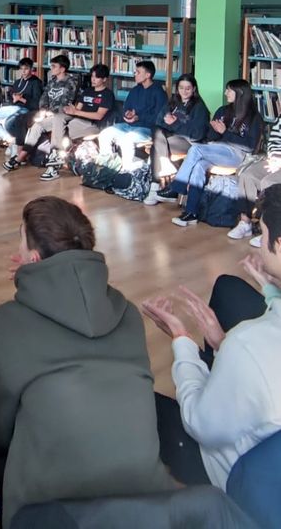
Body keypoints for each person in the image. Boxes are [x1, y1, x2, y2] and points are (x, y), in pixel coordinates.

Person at [0, 196, 171, 528]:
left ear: (33, 257)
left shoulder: (0, 325)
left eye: (21, 239)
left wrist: (32, 281)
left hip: (49, 513)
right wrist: (39, 279)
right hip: (144, 502)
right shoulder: (127, 314)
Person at [142, 184, 281, 491]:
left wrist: (182, 340)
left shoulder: (249, 343)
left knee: (139, 402)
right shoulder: (247, 343)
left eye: (263, 235)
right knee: (229, 289)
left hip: (241, 478)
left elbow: (199, 424)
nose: (259, 245)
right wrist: (270, 288)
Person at [168, 79, 263, 227]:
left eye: (229, 90)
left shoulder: (254, 117)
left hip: (238, 155)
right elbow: (210, 137)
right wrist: (215, 131)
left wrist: (225, 132)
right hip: (217, 149)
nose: (225, 93)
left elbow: (249, 147)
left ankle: (177, 188)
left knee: (195, 149)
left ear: (240, 93)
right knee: (199, 165)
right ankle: (191, 212)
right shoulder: (223, 111)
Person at [2, 55, 78, 175]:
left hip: (62, 114)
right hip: (49, 113)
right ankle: (19, 158)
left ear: (62, 69)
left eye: (54, 66)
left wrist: (50, 112)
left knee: (33, 119)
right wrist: (44, 110)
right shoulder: (52, 81)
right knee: (35, 125)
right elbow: (43, 98)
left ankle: (47, 158)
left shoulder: (71, 82)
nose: (51, 68)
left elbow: (66, 102)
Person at [145, 74, 210, 206]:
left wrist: (174, 124)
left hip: (188, 142)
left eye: (188, 88)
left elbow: (196, 135)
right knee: (156, 131)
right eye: (181, 88)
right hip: (168, 138)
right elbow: (159, 121)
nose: (184, 91)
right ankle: (161, 174)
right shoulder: (173, 102)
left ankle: (155, 185)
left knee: (156, 145)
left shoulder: (199, 107)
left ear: (194, 89)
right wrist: (172, 125)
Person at [97, 60, 168, 169]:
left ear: (148, 75)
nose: (135, 74)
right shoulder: (135, 90)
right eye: (135, 72)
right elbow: (127, 107)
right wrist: (128, 113)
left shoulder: (159, 93)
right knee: (104, 134)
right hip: (128, 125)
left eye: (138, 72)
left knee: (127, 139)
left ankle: (127, 170)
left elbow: (158, 117)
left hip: (147, 128)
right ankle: (108, 167)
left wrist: (138, 117)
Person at [227, 112, 281, 244]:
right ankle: (245, 223)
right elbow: (274, 141)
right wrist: (275, 157)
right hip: (276, 160)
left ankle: (269, 232)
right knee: (247, 175)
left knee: (269, 182)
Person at [49, 61, 115, 150]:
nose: (93, 79)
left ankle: (57, 152)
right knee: (58, 121)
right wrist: (70, 110)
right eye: (92, 76)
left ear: (104, 79)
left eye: (97, 77)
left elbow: (98, 116)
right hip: (79, 120)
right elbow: (78, 109)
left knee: (61, 132)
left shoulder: (107, 94)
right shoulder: (88, 91)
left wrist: (76, 112)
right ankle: (55, 152)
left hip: (93, 124)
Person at [0, 57, 42, 156]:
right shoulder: (17, 82)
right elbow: (12, 98)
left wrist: (22, 99)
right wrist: (14, 99)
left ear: (31, 69)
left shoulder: (36, 82)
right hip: (13, 107)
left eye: (26, 69)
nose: (23, 71)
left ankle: (14, 143)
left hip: (25, 109)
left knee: (9, 123)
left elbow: (36, 104)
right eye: (21, 69)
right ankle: (10, 140)